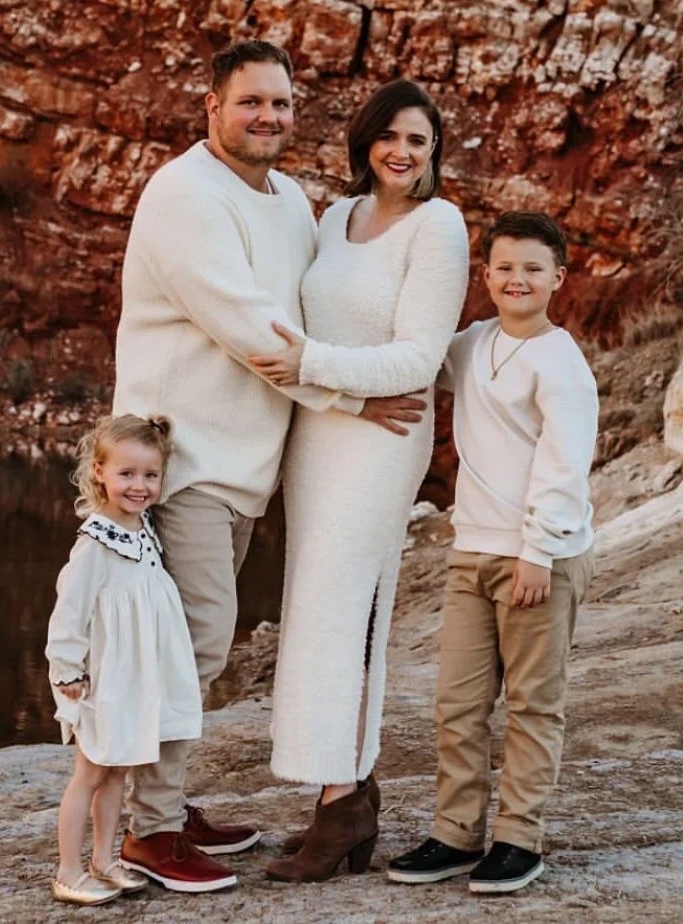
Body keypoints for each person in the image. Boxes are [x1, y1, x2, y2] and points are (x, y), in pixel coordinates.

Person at [111, 40, 423, 892]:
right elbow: (252, 329)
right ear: (210, 105)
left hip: (250, 463)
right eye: (251, 102)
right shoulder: (182, 194)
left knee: (192, 645)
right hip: (183, 462)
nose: (268, 118)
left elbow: (311, 312)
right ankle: (149, 831)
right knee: (192, 647)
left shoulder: (289, 199)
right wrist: (358, 401)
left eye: (282, 105)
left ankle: (166, 807)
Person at [246, 79, 470, 882]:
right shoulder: (334, 217)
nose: (402, 152)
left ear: (433, 151)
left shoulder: (440, 227)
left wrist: (317, 366)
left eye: (418, 140)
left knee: (351, 606)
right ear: (365, 142)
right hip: (323, 429)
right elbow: (294, 325)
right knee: (313, 604)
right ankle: (343, 797)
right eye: (389, 136)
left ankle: (343, 808)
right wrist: (335, 385)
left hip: (384, 440)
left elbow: (419, 357)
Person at [387, 211, 598, 894]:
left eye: (533, 269)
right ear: (485, 275)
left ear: (557, 279)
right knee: (458, 703)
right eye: (505, 267)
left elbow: (564, 467)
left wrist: (538, 552)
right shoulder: (473, 344)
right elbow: (414, 357)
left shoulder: (560, 362)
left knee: (534, 704)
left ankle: (519, 840)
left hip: (539, 559)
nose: (517, 279)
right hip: (470, 552)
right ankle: (455, 834)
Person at [46, 414, 202, 905]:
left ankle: (104, 860)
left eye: (150, 475)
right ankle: (68, 870)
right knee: (90, 773)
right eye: (127, 474)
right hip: (103, 678)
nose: (139, 486)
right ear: (99, 473)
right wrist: (68, 670)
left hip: (134, 676)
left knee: (117, 772)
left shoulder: (142, 531)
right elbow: (68, 612)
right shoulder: (95, 542)